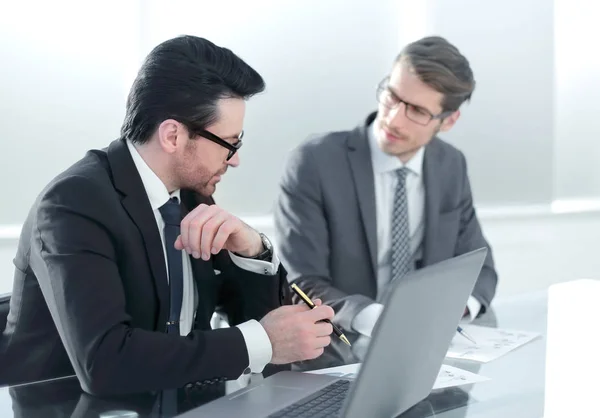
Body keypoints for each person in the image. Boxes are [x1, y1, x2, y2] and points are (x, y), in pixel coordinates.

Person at [0, 35, 334, 395]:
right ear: (173, 135)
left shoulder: (190, 198)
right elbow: (106, 363)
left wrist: (253, 250)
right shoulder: (73, 205)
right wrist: (259, 342)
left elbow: (268, 343)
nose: (235, 159)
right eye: (229, 144)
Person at [274, 36, 498, 368]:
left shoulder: (450, 165)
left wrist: (454, 310)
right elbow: (302, 281)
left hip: (424, 357)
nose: (393, 119)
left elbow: (480, 267)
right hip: (338, 353)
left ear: (448, 121)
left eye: (418, 111)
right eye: (392, 96)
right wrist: (383, 321)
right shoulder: (315, 162)